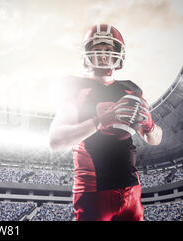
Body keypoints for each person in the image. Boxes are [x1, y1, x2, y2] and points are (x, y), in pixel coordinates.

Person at [49, 24, 162, 221]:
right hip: (94, 192)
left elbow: (154, 139)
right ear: (87, 53)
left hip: (132, 190)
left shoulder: (132, 90)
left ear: (119, 53)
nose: (103, 55)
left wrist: (150, 125)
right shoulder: (75, 86)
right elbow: (55, 141)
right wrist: (99, 121)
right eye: (98, 49)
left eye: (108, 50)